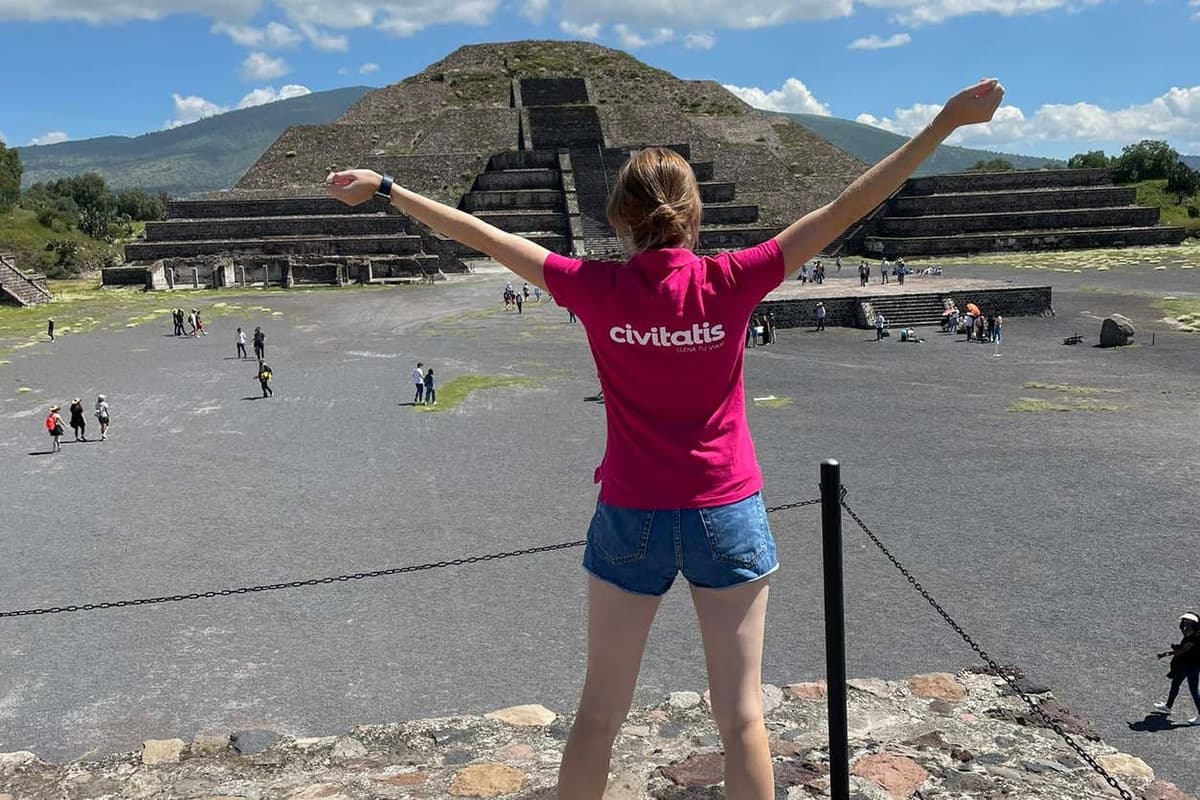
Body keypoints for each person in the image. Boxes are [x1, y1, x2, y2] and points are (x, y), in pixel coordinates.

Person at [325, 77, 1003, 799]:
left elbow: (481, 234)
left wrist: (388, 186)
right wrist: (942, 125)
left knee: (598, 715)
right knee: (742, 717)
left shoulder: (593, 288)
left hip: (631, 513)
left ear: (619, 216)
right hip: (728, 510)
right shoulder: (733, 280)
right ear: (694, 212)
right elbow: (847, 206)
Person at [1153, 612, 1200, 724]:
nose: (1184, 624)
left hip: (1192, 666)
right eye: (1184, 622)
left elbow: (1183, 651)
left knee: (1193, 690)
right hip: (1185, 664)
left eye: (1187, 622)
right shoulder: (1189, 632)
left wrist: (1166, 654)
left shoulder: (1195, 637)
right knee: (1175, 684)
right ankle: (1168, 707)